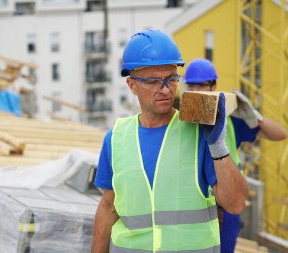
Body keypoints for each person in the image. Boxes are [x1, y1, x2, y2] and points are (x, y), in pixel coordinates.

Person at [91, 29, 248, 253]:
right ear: (132, 85)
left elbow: (236, 204)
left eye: (171, 79)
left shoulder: (199, 134)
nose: (165, 89)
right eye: (154, 81)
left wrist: (219, 147)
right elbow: (108, 207)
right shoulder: (116, 138)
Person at [184, 58, 287, 253]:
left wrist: (254, 116)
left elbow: (280, 134)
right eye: (191, 85)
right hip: (198, 207)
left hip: (227, 206)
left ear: (214, 86)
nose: (196, 89)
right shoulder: (185, 120)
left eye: (201, 85)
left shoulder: (230, 122)